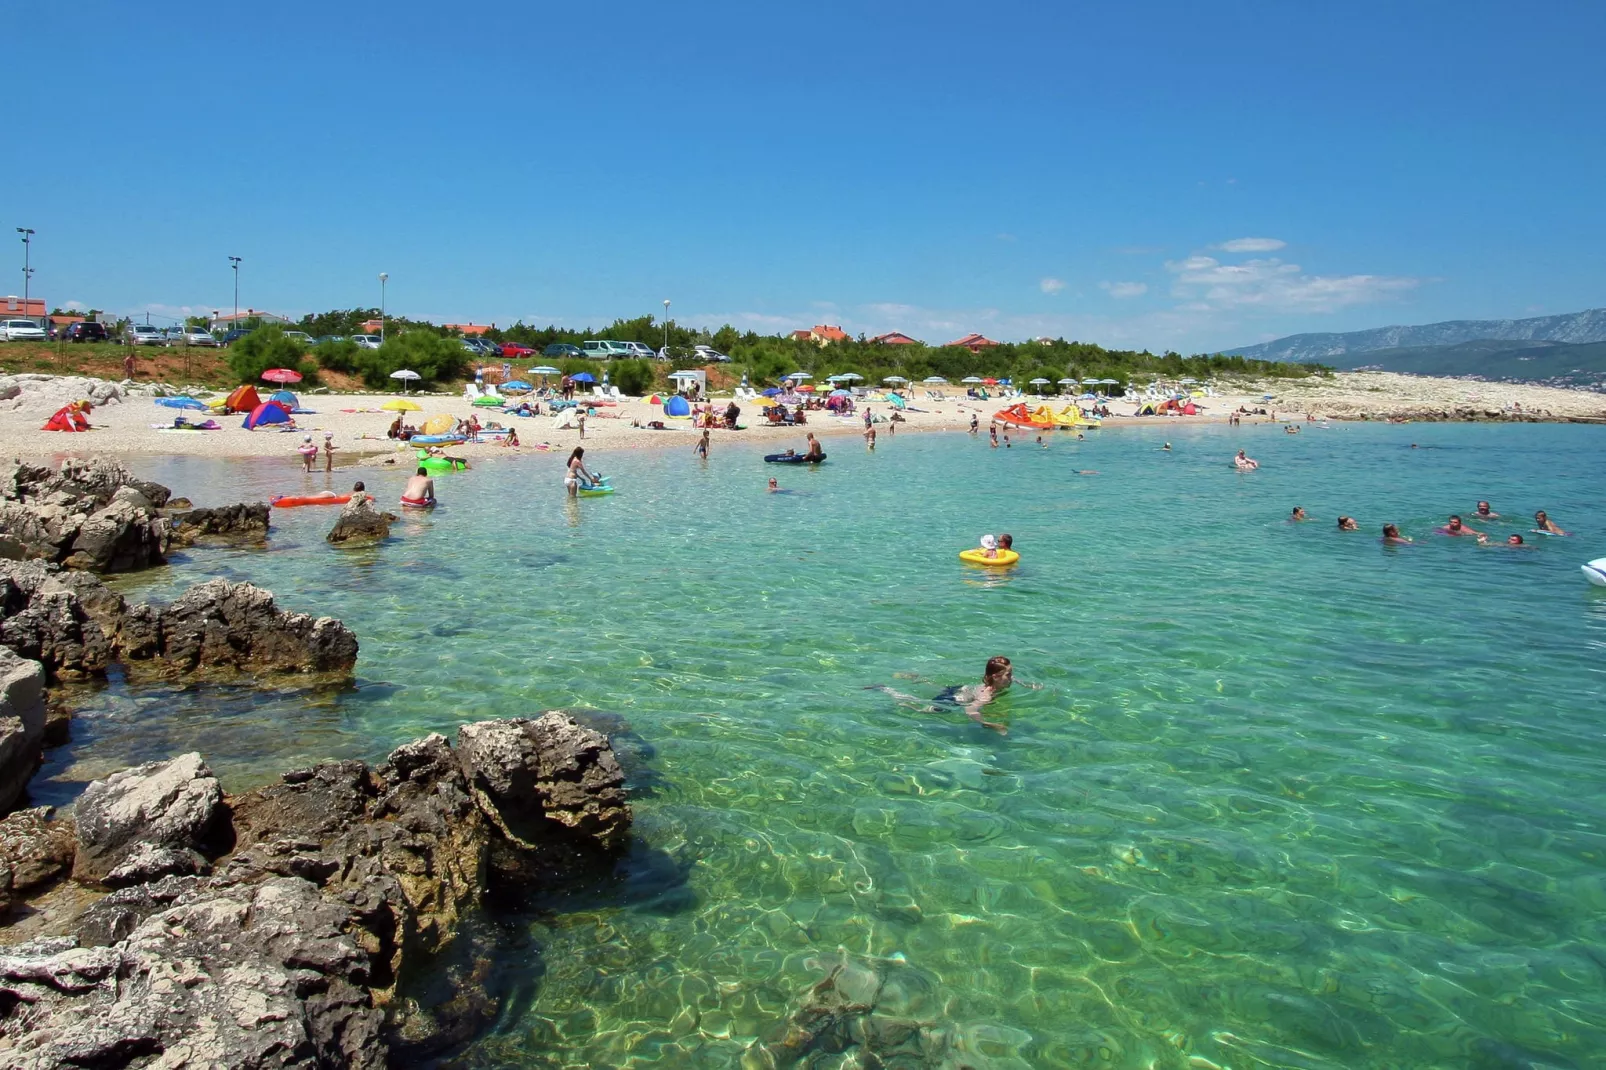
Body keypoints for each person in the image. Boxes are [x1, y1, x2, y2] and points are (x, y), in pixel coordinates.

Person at [866, 655, 1027, 734]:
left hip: (961, 689)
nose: (1012, 678)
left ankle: (917, 679)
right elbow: (970, 711)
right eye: (1009, 675)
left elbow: (1013, 679)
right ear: (996, 677)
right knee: (918, 707)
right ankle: (885, 689)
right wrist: (988, 724)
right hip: (952, 700)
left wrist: (1028, 684)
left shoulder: (992, 682)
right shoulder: (986, 695)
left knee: (940, 687)